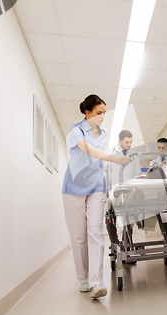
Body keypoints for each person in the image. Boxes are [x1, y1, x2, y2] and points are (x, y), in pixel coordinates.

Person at [62, 94, 131, 299]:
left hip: (96, 187)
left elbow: (98, 158)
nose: (102, 117)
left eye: (104, 113)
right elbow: (90, 151)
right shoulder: (75, 131)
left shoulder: (104, 132)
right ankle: (83, 280)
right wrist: (115, 159)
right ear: (87, 112)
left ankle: (96, 283)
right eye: (98, 113)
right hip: (74, 186)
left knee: (96, 232)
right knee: (78, 236)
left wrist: (108, 171)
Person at [105, 130, 141, 245]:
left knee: (129, 218)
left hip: (130, 189)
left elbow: (136, 175)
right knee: (111, 215)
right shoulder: (110, 152)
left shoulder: (134, 154)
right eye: (127, 142)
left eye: (131, 141)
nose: (129, 145)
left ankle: (126, 243)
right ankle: (115, 242)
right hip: (114, 189)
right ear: (120, 141)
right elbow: (106, 172)